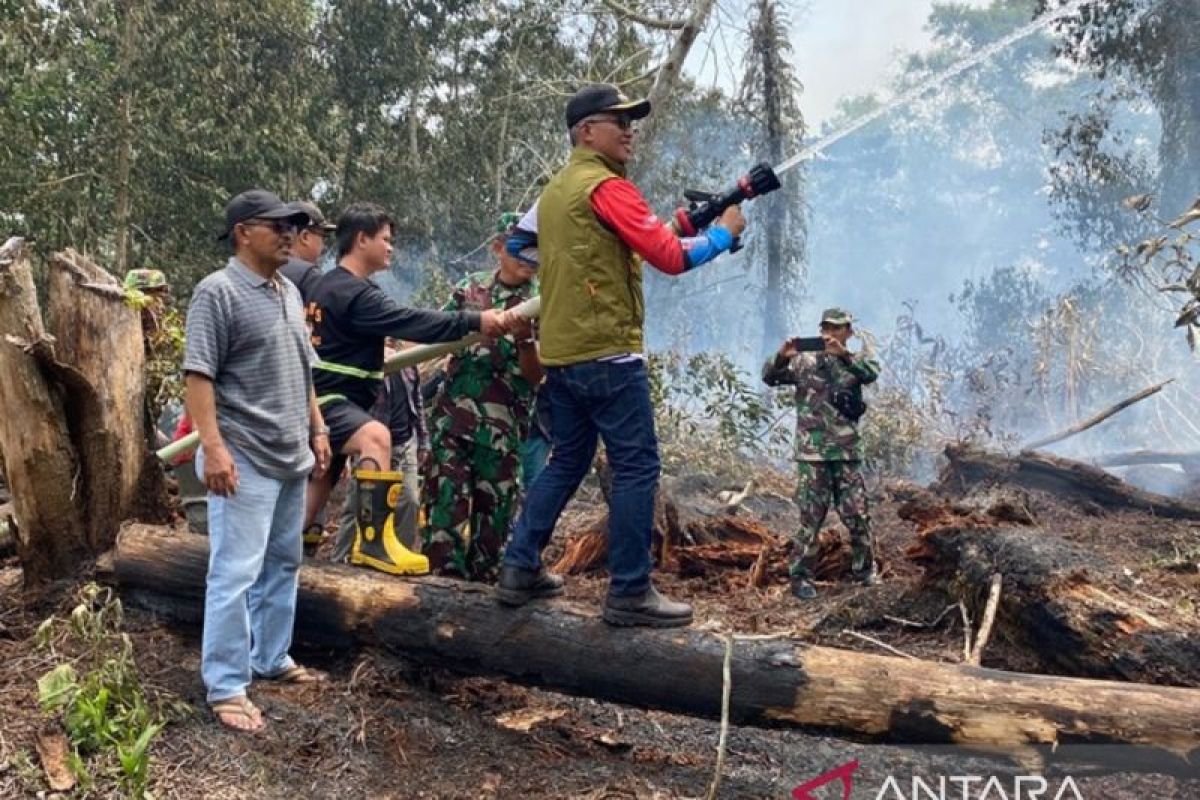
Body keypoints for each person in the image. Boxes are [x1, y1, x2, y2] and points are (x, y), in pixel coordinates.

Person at [494, 84, 746, 627]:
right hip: (609, 354)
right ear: (587, 131)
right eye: (618, 121)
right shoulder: (608, 187)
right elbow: (671, 261)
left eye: (631, 121)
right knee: (636, 467)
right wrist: (723, 234)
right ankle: (630, 591)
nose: (629, 129)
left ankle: (518, 566)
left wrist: (669, 226)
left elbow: (520, 249)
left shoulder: (558, 191)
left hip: (562, 355)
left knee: (567, 461)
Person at [183, 189, 333, 733]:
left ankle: (270, 657)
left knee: (283, 562)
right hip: (244, 455)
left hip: (291, 452)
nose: (292, 233)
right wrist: (215, 448)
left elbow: (304, 369)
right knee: (235, 572)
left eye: (296, 225)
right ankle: (225, 685)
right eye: (280, 225)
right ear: (244, 231)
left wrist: (317, 429)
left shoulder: (287, 292)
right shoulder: (216, 293)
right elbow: (197, 375)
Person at [303, 202, 509, 575]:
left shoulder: (326, 284)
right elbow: (408, 321)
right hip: (331, 397)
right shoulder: (354, 293)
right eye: (385, 239)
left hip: (327, 397)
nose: (391, 247)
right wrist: (475, 320)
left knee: (320, 478)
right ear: (361, 239)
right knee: (376, 438)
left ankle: (285, 547)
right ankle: (374, 542)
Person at [422, 213, 542, 580]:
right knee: (444, 515)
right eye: (520, 247)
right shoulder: (469, 289)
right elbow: (436, 336)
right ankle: (438, 597)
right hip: (452, 422)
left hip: (502, 433)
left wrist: (523, 338)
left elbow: (538, 376)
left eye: (536, 249)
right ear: (498, 248)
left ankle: (480, 610)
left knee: (493, 528)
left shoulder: (541, 302)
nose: (528, 257)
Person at [762, 307, 881, 600]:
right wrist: (781, 356)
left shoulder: (855, 360)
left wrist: (844, 355)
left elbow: (871, 374)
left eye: (837, 328)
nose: (830, 333)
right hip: (812, 454)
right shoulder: (805, 361)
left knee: (857, 515)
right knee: (810, 519)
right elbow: (769, 376)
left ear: (848, 332)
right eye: (826, 327)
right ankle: (801, 577)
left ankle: (864, 571)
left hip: (846, 452)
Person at [331, 339, 429, 561]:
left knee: (409, 501)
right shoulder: (368, 365)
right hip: (372, 445)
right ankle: (342, 559)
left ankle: (396, 554)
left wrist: (423, 441)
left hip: (404, 444)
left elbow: (418, 402)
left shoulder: (407, 364)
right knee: (360, 504)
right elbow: (353, 406)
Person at [279, 200, 336, 302]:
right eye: (323, 237)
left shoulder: (264, 269)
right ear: (305, 237)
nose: (323, 246)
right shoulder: (310, 276)